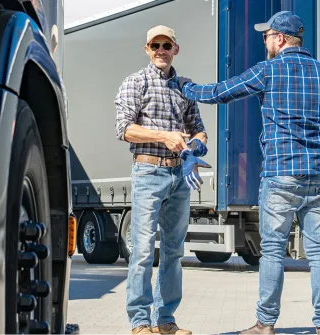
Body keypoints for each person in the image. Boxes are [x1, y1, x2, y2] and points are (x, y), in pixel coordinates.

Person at [170, 11, 320, 335]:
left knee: (272, 252)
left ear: (280, 39)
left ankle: (265, 325)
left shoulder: (269, 71)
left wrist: (187, 87)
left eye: (266, 35)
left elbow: (221, 92)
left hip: (281, 176)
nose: (264, 40)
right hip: (318, 178)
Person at [114, 24, 209, 335]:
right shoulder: (135, 83)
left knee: (173, 250)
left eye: (166, 45)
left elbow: (199, 129)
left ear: (175, 49)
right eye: (155, 45)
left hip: (180, 175)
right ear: (147, 49)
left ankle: (165, 320)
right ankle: (140, 322)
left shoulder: (185, 86)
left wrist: (195, 148)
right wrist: (163, 136)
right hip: (148, 172)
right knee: (142, 250)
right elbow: (124, 129)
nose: (160, 51)